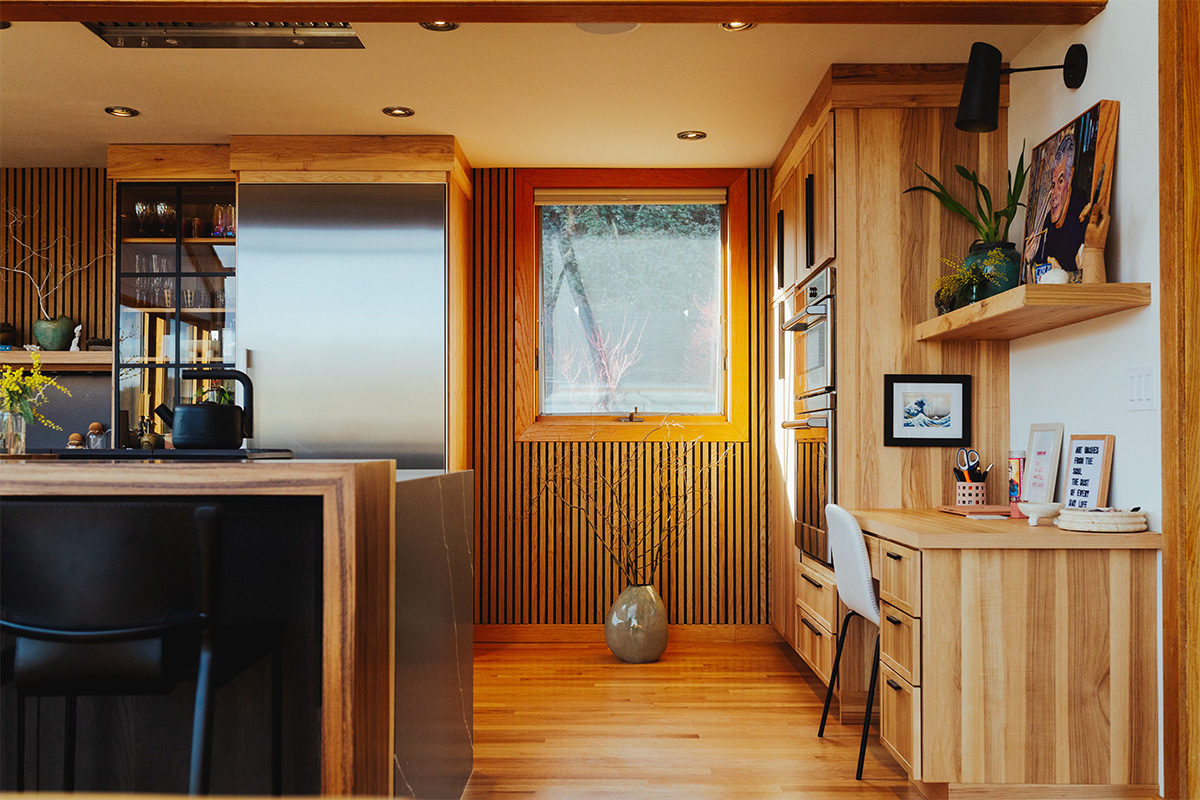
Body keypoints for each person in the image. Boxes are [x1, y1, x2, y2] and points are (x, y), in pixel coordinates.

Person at [1024, 133, 1089, 277]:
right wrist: (1028, 263)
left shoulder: (1082, 209)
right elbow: (1034, 285)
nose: (1054, 194)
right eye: (1053, 185)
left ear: (1070, 177)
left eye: (1060, 182)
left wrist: (1064, 273)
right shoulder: (1048, 221)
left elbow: (1086, 277)